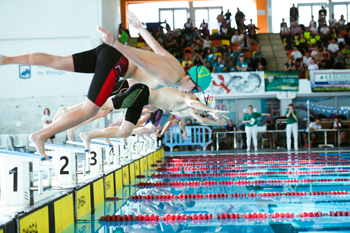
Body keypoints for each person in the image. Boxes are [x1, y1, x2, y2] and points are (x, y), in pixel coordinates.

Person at [0, 11, 212, 160]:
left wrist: (139, 28)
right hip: (117, 61)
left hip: (108, 53)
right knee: (89, 109)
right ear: (193, 82)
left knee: (58, 61)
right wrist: (116, 43)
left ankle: (7, 59)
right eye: (195, 90)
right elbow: (140, 61)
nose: (191, 94)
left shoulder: (175, 65)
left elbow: (155, 46)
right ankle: (40, 135)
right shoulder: (169, 78)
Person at [79, 80, 229, 151]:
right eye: (205, 108)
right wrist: (213, 111)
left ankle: (89, 135)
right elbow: (195, 106)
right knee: (100, 108)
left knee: (124, 130)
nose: (203, 111)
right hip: (140, 93)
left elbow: (201, 119)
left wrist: (216, 121)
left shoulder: (189, 108)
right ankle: (69, 113)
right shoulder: (189, 100)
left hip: (143, 98)